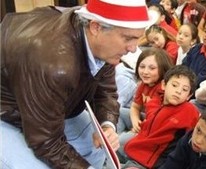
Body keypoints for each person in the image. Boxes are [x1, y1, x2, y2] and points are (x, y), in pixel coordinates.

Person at [0, 0, 156, 168]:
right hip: (8, 110)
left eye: (137, 38)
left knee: (95, 148)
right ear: (96, 27)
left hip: (45, 99)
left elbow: (106, 89)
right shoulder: (52, 64)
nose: (133, 49)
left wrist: (107, 125)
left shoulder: (92, 31)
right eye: (128, 38)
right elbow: (46, 142)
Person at [124, 65, 200, 169]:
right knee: (109, 145)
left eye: (185, 89)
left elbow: (192, 141)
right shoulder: (154, 102)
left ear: (189, 96)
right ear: (164, 85)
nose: (178, 91)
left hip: (152, 161)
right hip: (138, 144)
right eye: (174, 85)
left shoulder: (189, 111)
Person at [118, 48, 173, 159]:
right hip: (144, 122)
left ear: (163, 69)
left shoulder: (165, 90)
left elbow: (159, 123)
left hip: (153, 130)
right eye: (142, 67)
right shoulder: (143, 85)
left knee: (119, 142)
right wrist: (135, 122)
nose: (145, 72)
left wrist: (141, 128)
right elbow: (135, 107)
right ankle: (115, 137)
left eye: (152, 68)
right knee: (118, 111)